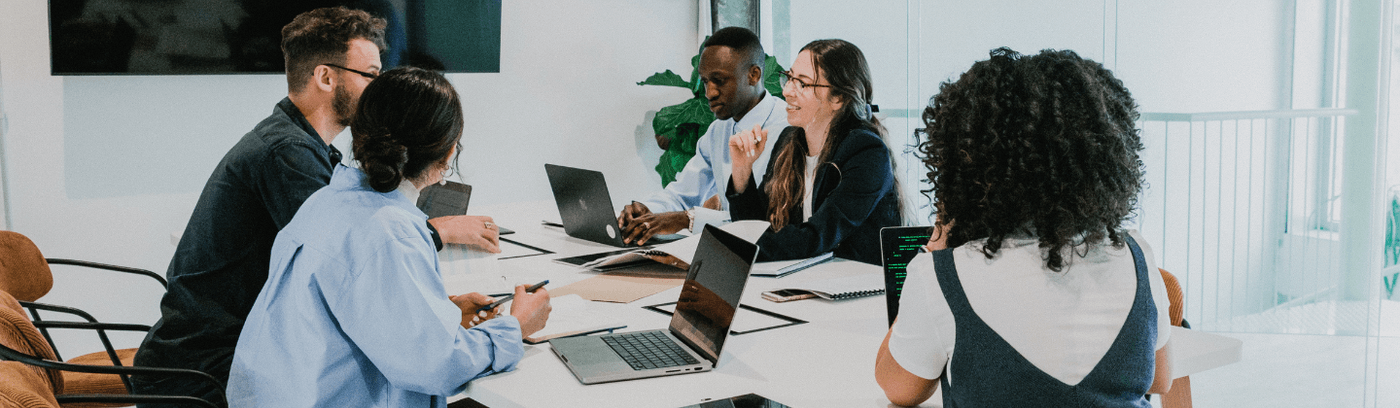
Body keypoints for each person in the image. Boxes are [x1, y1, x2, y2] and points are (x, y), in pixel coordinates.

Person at [134, 7, 501, 404]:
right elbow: (351, 263)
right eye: (371, 76)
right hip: (212, 368)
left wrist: (433, 311)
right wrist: (439, 233)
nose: (379, 90)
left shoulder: (302, 144)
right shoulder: (288, 153)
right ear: (326, 77)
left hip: (231, 349)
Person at [225, 66, 551, 407]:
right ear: (449, 152)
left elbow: (344, 306)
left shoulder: (326, 201)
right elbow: (438, 366)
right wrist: (516, 326)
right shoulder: (388, 231)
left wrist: (441, 311)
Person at [875, 48, 1173, 407]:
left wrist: (934, 252)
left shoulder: (944, 276)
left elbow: (899, 388)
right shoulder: (1136, 255)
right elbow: (1161, 378)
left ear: (969, 164)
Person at [725, 39, 901, 265]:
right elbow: (757, 227)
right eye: (789, 78)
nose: (787, 91)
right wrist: (742, 170)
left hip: (856, 290)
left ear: (838, 98)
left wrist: (730, 249)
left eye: (802, 84)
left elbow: (816, 237)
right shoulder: (789, 141)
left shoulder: (867, 152)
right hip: (806, 282)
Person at [618, 26, 788, 245]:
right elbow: (682, 193)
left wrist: (688, 220)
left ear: (753, 75)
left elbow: (767, 224)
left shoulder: (787, 129)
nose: (710, 93)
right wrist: (645, 212)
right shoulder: (718, 130)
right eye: (706, 81)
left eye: (720, 80)